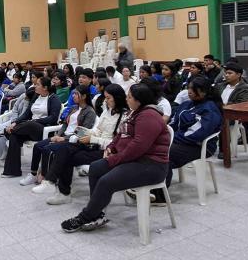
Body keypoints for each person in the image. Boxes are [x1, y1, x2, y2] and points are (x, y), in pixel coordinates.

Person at [60, 83, 170, 233]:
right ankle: (96, 213)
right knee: (96, 167)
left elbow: (138, 146)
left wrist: (115, 158)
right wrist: (112, 146)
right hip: (135, 159)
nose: (127, 99)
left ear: (139, 100)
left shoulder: (149, 116)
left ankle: (86, 216)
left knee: (107, 181)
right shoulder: (135, 112)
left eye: (130, 97)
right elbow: (120, 135)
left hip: (151, 165)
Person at [34, 84, 128, 205]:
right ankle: (54, 185)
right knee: (64, 149)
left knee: (66, 154)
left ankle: (58, 188)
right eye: (105, 97)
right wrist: (84, 132)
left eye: (108, 98)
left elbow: (117, 144)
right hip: (93, 144)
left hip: (106, 151)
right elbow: (98, 130)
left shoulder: (124, 117)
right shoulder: (107, 111)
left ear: (118, 98)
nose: (106, 101)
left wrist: (92, 139)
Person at [146, 77, 223, 205]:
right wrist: (165, 135)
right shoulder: (187, 104)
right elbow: (173, 123)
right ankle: (147, 185)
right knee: (150, 148)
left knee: (164, 154)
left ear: (204, 91)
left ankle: (160, 195)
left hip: (200, 146)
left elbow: (198, 134)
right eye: (188, 88)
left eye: (193, 89)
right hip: (181, 141)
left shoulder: (209, 109)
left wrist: (172, 138)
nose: (189, 91)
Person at [24, 85, 97, 188]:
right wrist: (58, 135)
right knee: (37, 146)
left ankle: (46, 177)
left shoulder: (90, 112)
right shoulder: (73, 108)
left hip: (73, 140)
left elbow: (82, 132)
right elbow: (65, 124)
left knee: (47, 149)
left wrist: (63, 138)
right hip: (63, 136)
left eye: (76, 94)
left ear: (84, 96)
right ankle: (33, 173)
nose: (73, 96)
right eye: (73, 94)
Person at [0, 77, 62, 177]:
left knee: (29, 124)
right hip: (28, 128)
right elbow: (27, 114)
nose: (35, 86)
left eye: (37, 84)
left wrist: (36, 121)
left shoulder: (54, 99)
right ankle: (12, 171)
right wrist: (15, 122)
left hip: (43, 129)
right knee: (15, 137)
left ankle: (7, 131)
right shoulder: (36, 96)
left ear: (45, 87)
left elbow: (53, 118)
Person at [0, 88, 34, 168]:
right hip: (14, 120)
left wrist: (27, 103)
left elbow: (24, 116)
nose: (25, 98)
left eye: (27, 98)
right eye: (25, 96)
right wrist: (14, 120)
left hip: (22, 123)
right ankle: (5, 152)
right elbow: (15, 108)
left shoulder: (32, 103)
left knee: (1, 135)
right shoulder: (23, 95)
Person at [215, 63, 248, 158]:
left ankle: (224, 150)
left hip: (233, 115)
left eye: (230, 73)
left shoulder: (244, 88)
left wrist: (224, 106)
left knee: (223, 122)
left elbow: (243, 105)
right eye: (226, 73)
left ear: (238, 75)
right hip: (217, 111)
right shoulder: (220, 86)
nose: (226, 75)